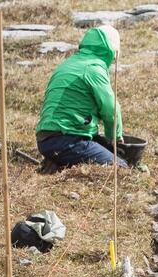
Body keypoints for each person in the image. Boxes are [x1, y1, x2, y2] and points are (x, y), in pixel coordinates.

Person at [35, 24, 128, 169]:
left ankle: (56, 163)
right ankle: (58, 163)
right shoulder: (94, 68)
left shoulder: (70, 63)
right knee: (120, 167)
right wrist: (114, 138)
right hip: (67, 140)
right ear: (111, 51)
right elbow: (111, 109)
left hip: (46, 139)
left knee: (105, 150)